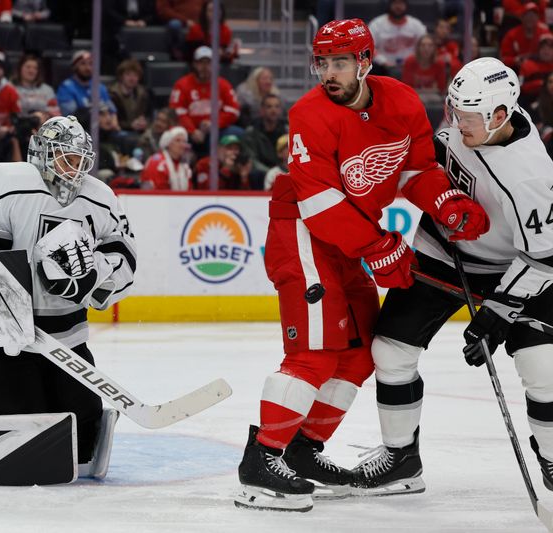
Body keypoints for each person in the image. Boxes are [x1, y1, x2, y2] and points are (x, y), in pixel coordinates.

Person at [234, 18, 489, 512]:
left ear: (365, 62)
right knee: (314, 353)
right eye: (322, 62)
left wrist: (447, 203)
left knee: (358, 354)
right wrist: (378, 246)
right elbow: (320, 204)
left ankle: (303, 451)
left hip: (350, 239)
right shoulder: (309, 114)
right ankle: (261, 462)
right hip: (304, 234)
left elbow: (418, 170)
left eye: (339, 62)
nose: (327, 72)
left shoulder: (402, 100)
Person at [353, 55, 553, 496]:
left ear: (500, 115)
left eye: (467, 117)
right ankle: (401, 460)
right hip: (442, 250)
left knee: (544, 367)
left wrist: (497, 314)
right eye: (453, 111)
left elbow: (544, 259)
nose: (456, 123)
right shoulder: (472, 120)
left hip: (510, 268)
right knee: (390, 351)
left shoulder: (531, 177)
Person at [0, 114, 136, 476]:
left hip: (67, 339)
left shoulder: (102, 197)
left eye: (80, 159)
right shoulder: (1, 181)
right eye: (66, 157)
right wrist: (13, 284)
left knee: (81, 447)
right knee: (16, 448)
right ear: (42, 153)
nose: (74, 168)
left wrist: (91, 274)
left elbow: (126, 262)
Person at [169, 45, 242, 156]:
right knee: (175, 134)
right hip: (190, 132)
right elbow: (177, 111)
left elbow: (233, 110)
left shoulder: (223, 85)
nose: (205, 66)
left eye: (208, 63)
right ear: (194, 64)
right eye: (201, 62)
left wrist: (214, 123)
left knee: (238, 133)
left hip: (216, 130)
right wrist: (192, 130)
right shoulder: (182, 84)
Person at [368, 0, 427, 77]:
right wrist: (383, 62)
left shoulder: (416, 25)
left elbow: (427, 44)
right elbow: (368, 47)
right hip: (383, 68)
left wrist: (414, 60)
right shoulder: (376, 24)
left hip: (412, 67)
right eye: (395, 3)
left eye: (401, 3)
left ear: (406, 5)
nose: (398, 6)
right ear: (390, 5)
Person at [56, 51, 115, 117]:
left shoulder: (99, 87)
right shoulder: (66, 87)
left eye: (90, 64)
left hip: (102, 125)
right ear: (74, 67)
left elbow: (112, 110)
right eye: (83, 64)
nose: (88, 68)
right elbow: (70, 115)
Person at [243, 93, 287, 176]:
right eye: (269, 107)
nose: (273, 110)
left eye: (277, 106)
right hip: (261, 174)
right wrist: (271, 173)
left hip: (282, 171)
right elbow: (252, 160)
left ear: (280, 110)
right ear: (262, 110)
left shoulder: (286, 130)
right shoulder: (251, 132)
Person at [500, 2, 550, 71]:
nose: (530, 18)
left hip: (542, 70)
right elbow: (503, 59)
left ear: (538, 17)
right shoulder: (511, 35)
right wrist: (515, 60)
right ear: (522, 17)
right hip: (517, 71)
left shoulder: (545, 33)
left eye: (533, 15)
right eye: (527, 15)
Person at [140, 125, 191, 189]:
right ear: (168, 143)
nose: (182, 145)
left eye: (184, 141)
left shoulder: (184, 165)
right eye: (178, 140)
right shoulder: (156, 162)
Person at [108, 59, 150, 135]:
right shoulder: (112, 95)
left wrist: (144, 122)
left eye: (135, 75)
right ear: (121, 76)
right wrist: (130, 125)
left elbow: (148, 115)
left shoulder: (143, 93)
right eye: (128, 74)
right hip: (119, 131)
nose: (132, 78)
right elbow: (111, 121)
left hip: (138, 130)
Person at [13, 53, 60, 121]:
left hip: (44, 126)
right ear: (20, 68)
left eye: (35, 68)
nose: (31, 71)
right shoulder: (12, 89)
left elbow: (56, 114)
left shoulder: (47, 90)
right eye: (28, 67)